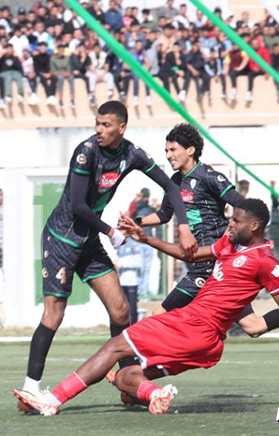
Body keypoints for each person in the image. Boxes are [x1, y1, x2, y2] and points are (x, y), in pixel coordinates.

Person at [18, 199, 279, 416]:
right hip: (203, 342)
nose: (230, 223)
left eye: (236, 220)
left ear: (255, 226)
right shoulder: (230, 244)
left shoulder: (265, 261)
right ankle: (154, 393)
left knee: (115, 346)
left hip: (193, 327)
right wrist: (146, 239)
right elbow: (190, 255)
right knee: (126, 375)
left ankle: (51, 399)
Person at [14, 101, 198, 411]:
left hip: (88, 241)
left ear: (121, 128)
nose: (99, 130)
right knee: (54, 313)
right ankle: (30, 389)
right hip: (61, 239)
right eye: (97, 123)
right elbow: (78, 206)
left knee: (121, 312)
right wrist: (111, 232)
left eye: (106, 125)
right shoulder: (86, 152)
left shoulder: (133, 154)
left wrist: (183, 226)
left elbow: (170, 185)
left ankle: (130, 384)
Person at [123, 124, 279, 342]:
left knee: (159, 314)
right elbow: (164, 214)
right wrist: (137, 222)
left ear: (190, 150)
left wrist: (230, 235)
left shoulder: (208, 177)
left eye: (173, 150)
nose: (168, 155)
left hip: (210, 262)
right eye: (166, 151)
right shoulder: (174, 182)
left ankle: (133, 362)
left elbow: (243, 205)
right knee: (254, 326)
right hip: (204, 259)